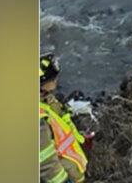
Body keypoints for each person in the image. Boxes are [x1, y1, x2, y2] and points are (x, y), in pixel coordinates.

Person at [39, 53, 88, 183]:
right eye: (53, 80)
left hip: (73, 168)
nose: (56, 82)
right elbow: (45, 161)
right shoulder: (39, 120)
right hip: (64, 175)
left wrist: (82, 140)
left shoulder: (47, 101)